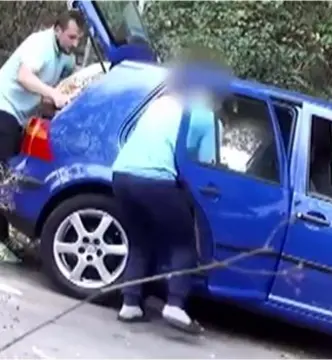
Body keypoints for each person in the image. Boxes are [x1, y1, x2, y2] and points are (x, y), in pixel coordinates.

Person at [111, 63, 231, 334]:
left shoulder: (160, 103)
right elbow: (206, 165)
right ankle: (175, 304)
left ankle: (130, 304)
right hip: (155, 180)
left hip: (121, 174)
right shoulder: (205, 116)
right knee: (183, 242)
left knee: (140, 240)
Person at [0, 10, 84, 244]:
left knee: (9, 177)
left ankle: (3, 238)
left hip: (19, 117)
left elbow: (51, 98)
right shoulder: (40, 44)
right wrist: (53, 94)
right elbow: (24, 77)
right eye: (71, 37)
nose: (75, 44)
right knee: (4, 176)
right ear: (57, 30)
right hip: (3, 107)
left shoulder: (66, 57)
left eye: (79, 39)